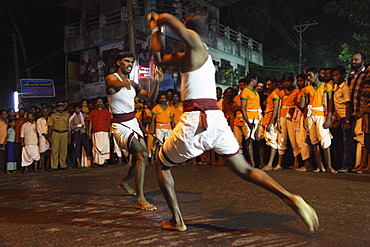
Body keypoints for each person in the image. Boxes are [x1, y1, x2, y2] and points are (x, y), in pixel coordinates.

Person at [148, 11, 318, 232]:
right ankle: (290, 197)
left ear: (189, 30)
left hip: (196, 120)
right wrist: (155, 30)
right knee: (245, 169)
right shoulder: (199, 54)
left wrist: (159, 17)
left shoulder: (196, 45)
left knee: (162, 164)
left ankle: (177, 220)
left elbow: (174, 27)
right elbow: (160, 59)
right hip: (215, 120)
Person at [106, 52, 163, 211]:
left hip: (133, 122)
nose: (130, 64)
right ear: (119, 62)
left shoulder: (132, 84)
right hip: (120, 124)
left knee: (141, 157)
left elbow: (151, 98)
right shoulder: (111, 78)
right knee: (142, 154)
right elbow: (114, 84)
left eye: (132, 62)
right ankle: (140, 198)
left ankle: (124, 182)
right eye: (126, 61)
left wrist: (156, 83)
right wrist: (127, 83)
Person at [303, 67, 336, 173]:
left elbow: (330, 102)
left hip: (322, 114)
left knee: (325, 141)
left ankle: (329, 166)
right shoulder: (307, 88)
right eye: (307, 76)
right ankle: (319, 165)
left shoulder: (327, 86)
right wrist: (305, 118)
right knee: (314, 141)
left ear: (317, 74)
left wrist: (329, 117)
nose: (309, 78)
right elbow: (306, 104)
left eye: (310, 75)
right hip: (311, 115)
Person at [87, 98, 112, 167]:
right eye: (98, 102)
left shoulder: (106, 111)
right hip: (96, 131)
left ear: (103, 103)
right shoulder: (93, 112)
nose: (99, 103)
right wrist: (89, 132)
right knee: (96, 146)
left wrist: (110, 131)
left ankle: (105, 161)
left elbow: (108, 122)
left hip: (105, 130)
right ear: (96, 103)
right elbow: (90, 122)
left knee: (105, 146)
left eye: (101, 102)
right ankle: (96, 161)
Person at [48, 102, 70, 171]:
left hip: (64, 133)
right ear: (57, 108)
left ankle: (62, 165)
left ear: (64, 108)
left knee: (64, 150)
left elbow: (69, 127)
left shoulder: (67, 115)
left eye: (62, 107)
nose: (60, 108)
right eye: (59, 107)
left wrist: (69, 137)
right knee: (55, 150)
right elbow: (50, 126)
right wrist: (49, 136)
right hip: (55, 133)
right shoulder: (53, 116)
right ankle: (54, 166)